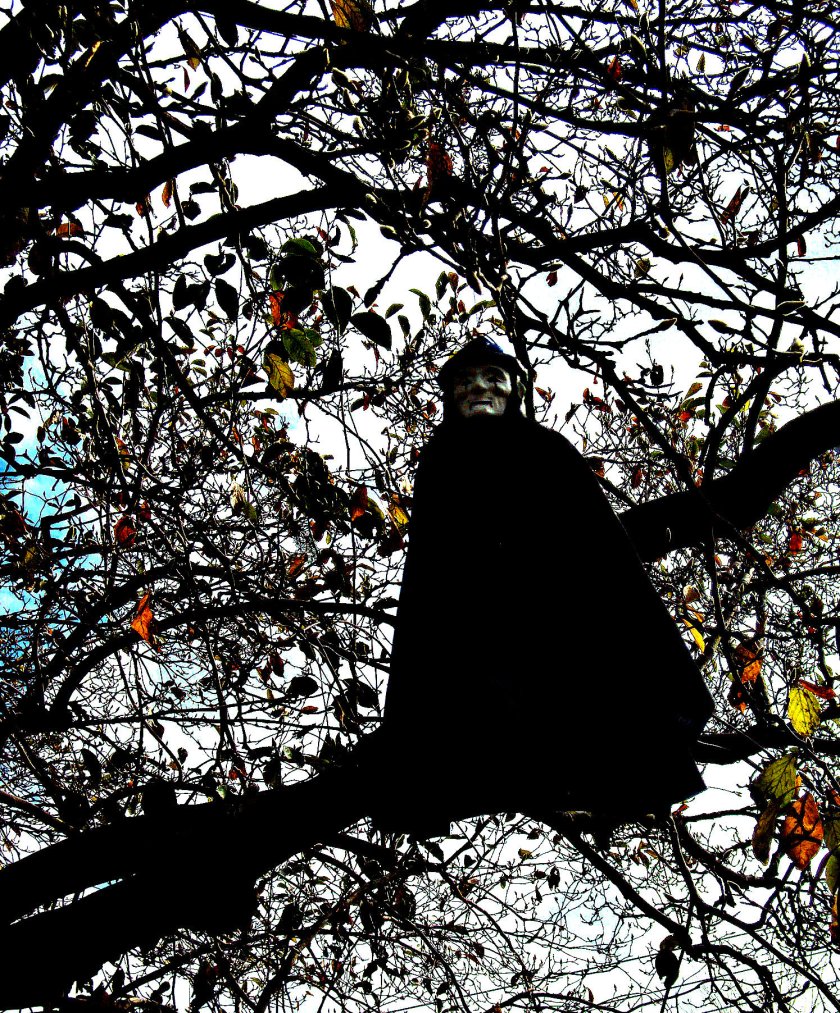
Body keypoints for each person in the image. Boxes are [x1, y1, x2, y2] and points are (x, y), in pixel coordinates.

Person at [374, 338, 713, 836]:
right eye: (465, 381)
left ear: (514, 388)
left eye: (492, 377)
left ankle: (603, 784)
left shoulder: (546, 447)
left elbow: (598, 540)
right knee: (472, 719)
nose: (478, 388)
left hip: (557, 615)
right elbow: (432, 562)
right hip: (474, 623)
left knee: (586, 708)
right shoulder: (440, 460)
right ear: (451, 395)